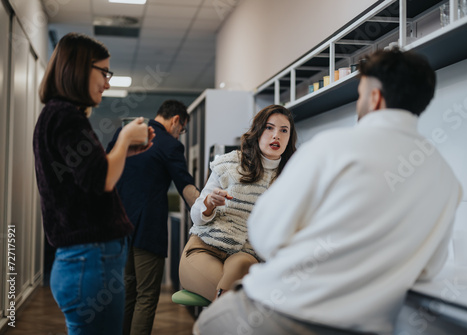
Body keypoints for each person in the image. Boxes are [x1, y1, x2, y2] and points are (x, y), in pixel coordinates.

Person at [193, 48, 463, 335]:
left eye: (360, 94)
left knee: (207, 326)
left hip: (278, 311)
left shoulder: (331, 147)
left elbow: (265, 235)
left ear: (375, 97)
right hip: (364, 327)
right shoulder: (446, 177)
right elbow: (431, 267)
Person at [33, 32, 154, 335]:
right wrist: (125, 138)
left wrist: (126, 149)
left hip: (83, 262)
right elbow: (102, 179)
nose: (108, 82)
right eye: (104, 72)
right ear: (79, 68)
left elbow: (90, 175)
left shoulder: (57, 115)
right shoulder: (66, 116)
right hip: (90, 261)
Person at [179, 104, 297, 302]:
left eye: (284, 130)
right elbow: (196, 216)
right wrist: (209, 203)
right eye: (269, 128)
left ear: (289, 138)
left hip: (246, 255)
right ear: (258, 132)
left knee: (243, 273)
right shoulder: (229, 164)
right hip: (204, 248)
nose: (276, 135)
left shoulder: (292, 177)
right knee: (242, 300)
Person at [106, 100, 200, 335]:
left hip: (118, 226)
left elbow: (104, 167)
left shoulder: (125, 132)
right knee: (146, 295)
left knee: (127, 291)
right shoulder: (170, 144)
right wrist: (206, 206)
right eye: (183, 129)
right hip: (148, 229)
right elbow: (185, 185)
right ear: (176, 120)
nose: (180, 135)